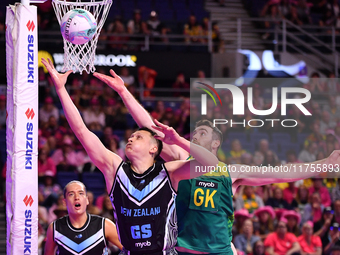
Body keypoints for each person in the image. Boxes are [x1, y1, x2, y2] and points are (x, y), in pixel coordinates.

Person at [92, 67, 340, 255]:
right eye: (195, 131)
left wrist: (325, 164)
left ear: (215, 144)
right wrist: (124, 92)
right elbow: (148, 126)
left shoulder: (231, 172)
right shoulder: (180, 159)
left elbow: (283, 173)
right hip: (183, 250)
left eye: (202, 133)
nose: (195, 135)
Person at [42, 58, 219, 254]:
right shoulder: (115, 169)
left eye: (139, 137)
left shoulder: (169, 172)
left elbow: (211, 163)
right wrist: (61, 90)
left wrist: (178, 140)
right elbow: (82, 131)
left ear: (153, 148)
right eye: (131, 136)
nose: (131, 138)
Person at [44, 180, 122, 255]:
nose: (76, 197)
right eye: (71, 194)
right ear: (64, 202)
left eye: (81, 193)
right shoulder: (54, 228)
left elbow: (130, 249)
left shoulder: (104, 225)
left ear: (87, 200)